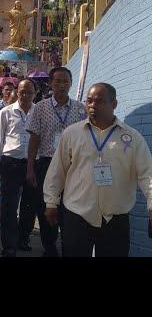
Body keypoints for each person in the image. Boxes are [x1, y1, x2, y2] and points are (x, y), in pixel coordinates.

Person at [43, 83, 152, 257]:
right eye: (89, 101)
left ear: (114, 104)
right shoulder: (72, 134)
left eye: (100, 101)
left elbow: (148, 174)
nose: (93, 106)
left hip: (115, 219)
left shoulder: (132, 138)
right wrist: (51, 202)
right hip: (77, 214)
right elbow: (57, 171)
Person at [25, 66, 87, 257]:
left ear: (71, 83)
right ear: (51, 84)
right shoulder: (41, 108)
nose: (62, 85)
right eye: (57, 81)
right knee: (46, 208)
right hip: (47, 164)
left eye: (65, 81)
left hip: (74, 166)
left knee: (71, 208)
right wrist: (30, 168)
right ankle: (49, 247)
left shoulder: (79, 109)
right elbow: (34, 139)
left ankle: (68, 245)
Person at [0, 79, 36, 257]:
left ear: (35, 93)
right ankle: (9, 245)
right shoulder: (5, 113)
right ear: (17, 92)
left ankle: (23, 239)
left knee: (29, 205)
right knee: (9, 207)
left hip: (32, 164)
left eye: (29, 92)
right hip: (11, 163)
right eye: (22, 91)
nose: (25, 95)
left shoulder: (39, 111)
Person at [0, 89, 18, 229]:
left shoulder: (29, 113)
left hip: (21, 159)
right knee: (2, 189)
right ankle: (0, 217)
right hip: (5, 158)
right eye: (13, 100)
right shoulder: (1, 114)